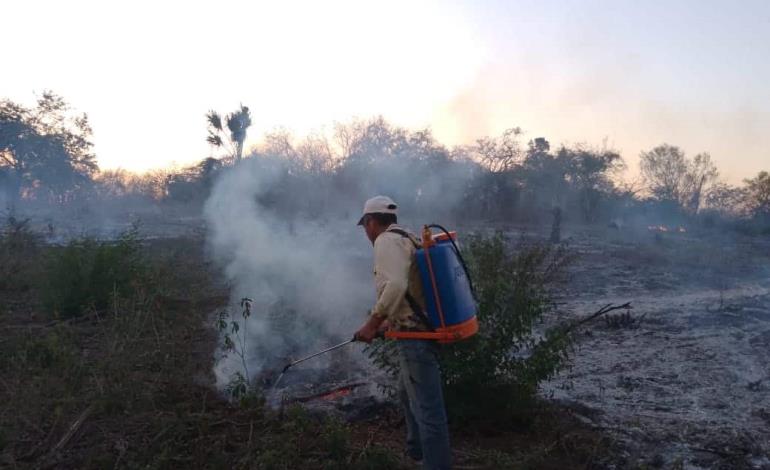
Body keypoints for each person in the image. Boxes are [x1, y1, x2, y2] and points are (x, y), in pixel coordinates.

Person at [354, 195, 452, 470]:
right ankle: (417, 453)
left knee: (429, 412)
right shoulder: (406, 237)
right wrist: (390, 321)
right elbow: (412, 291)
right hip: (417, 332)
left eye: (365, 226)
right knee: (406, 395)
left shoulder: (386, 241)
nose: (366, 233)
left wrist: (372, 323)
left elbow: (395, 285)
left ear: (372, 222)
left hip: (416, 340)